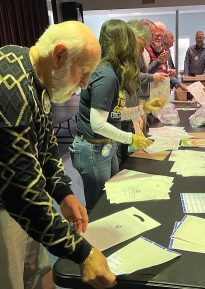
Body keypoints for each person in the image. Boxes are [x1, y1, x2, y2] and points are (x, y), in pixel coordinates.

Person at [0, 21, 116, 289]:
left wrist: (63, 192)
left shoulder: (36, 71)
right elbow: (22, 194)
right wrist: (83, 253)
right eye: (83, 72)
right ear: (60, 55)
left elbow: (46, 145)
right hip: (7, 206)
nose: (85, 83)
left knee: (39, 272)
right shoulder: (10, 91)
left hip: (23, 202)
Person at [71, 19, 164, 212]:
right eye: (133, 43)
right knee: (99, 209)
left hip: (104, 146)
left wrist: (144, 107)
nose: (138, 50)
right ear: (122, 43)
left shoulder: (113, 71)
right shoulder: (106, 75)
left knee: (111, 202)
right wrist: (131, 138)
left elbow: (115, 114)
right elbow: (98, 124)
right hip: (94, 148)